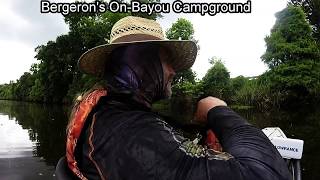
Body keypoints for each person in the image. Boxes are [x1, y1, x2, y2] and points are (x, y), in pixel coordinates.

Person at [60, 16, 292, 180]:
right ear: (142, 63)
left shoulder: (110, 115)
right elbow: (266, 174)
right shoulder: (130, 134)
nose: (174, 71)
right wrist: (217, 110)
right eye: (167, 60)